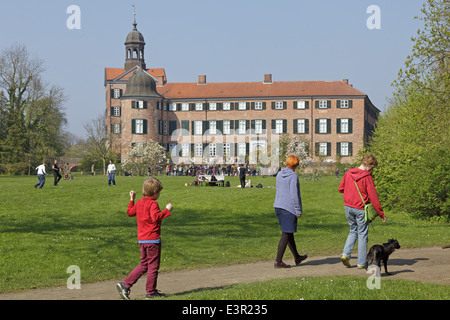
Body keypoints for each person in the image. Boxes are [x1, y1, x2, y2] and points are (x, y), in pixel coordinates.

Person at [116, 177, 173, 300]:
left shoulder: (140, 202)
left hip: (142, 240)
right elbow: (156, 218)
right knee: (153, 266)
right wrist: (167, 210)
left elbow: (130, 212)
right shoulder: (153, 203)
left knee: (144, 264)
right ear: (154, 193)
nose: (159, 195)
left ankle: (125, 284)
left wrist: (132, 199)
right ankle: (151, 292)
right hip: (152, 239)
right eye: (159, 193)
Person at [339, 154, 386, 269]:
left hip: (348, 207)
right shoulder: (367, 177)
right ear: (366, 164)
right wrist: (381, 213)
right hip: (360, 208)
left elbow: (341, 188)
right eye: (372, 166)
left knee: (353, 231)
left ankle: (345, 254)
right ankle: (361, 262)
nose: (372, 169)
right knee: (362, 235)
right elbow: (373, 197)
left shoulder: (348, 173)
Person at [273, 155, 307, 268]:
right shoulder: (293, 176)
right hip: (288, 208)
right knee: (286, 234)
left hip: (278, 206)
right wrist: (297, 210)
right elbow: (294, 194)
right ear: (296, 164)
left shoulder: (279, 174)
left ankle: (297, 257)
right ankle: (278, 261)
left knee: (288, 232)